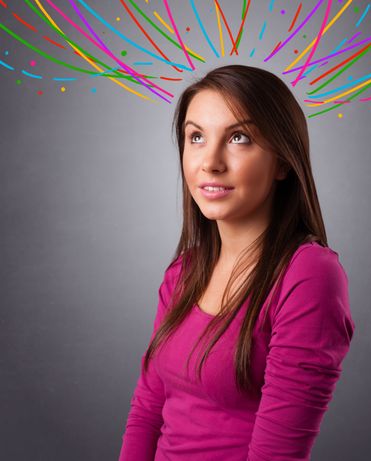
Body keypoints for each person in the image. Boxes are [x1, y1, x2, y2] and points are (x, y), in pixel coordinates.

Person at [118, 64, 356, 461]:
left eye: (238, 138)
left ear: (282, 162)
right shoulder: (183, 272)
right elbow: (147, 411)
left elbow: (276, 454)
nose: (210, 162)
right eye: (196, 137)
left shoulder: (309, 275)